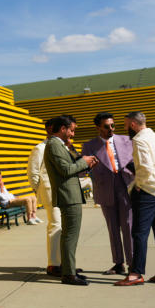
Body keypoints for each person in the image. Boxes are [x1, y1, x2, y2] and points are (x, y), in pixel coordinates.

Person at [116, 112, 155, 286]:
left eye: (126, 125)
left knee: (139, 233)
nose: (125, 128)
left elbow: (144, 168)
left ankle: (136, 273)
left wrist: (138, 185)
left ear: (133, 124)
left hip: (147, 190)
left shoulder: (139, 140)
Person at [44, 116, 98, 285]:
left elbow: (69, 169)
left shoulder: (59, 145)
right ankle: (68, 274)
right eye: (72, 130)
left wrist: (85, 164)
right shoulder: (54, 145)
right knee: (70, 236)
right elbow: (66, 170)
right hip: (68, 195)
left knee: (69, 235)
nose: (73, 134)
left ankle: (69, 269)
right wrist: (84, 162)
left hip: (70, 194)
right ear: (62, 129)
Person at [82, 112, 135, 275]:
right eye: (107, 126)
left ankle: (133, 264)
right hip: (104, 187)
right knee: (112, 227)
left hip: (125, 184)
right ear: (98, 127)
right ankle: (118, 263)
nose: (111, 129)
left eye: (113, 125)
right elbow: (85, 167)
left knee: (128, 225)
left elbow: (135, 160)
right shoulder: (89, 145)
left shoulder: (127, 140)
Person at [28, 118, 65, 275]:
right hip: (50, 192)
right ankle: (54, 264)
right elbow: (33, 172)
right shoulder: (40, 148)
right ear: (50, 129)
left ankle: (63, 263)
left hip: (63, 192)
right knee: (55, 225)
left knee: (62, 227)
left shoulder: (62, 146)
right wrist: (41, 189)